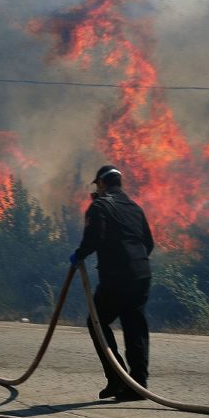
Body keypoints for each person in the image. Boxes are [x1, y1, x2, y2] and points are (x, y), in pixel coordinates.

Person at [69, 165, 154, 401]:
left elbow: (94, 238)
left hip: (117, 278)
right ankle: (138, 384)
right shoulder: (135, 208)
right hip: (142, 275)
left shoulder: (99, 206)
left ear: (102, 184)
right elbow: (148, 243)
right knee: (135, 326)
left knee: (96, 323)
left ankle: (117, 380)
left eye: (97, 185)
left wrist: (80, 254)